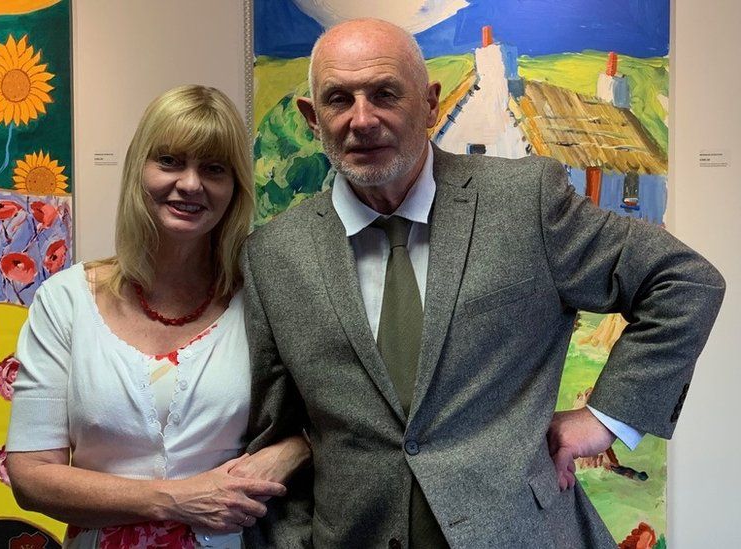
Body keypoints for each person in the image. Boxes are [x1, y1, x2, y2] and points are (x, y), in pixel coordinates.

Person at [242, 18, 725, 548]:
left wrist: (605, 416)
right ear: (314, 117)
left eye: (385, 94)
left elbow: (683, 281)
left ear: (429, 104)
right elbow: (279, 438)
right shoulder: (273, 257)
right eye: (339, 99)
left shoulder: (524, 204)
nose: (362, 120)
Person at [5, 85, 311, 549]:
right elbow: (30, 475)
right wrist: (177, 499)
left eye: (214, 169)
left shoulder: (264, 299)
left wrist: (292, 451)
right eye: (169, 161)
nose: (191, 184)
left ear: (235, 189)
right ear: (137, 170)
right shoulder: (65, 300)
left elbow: (339, 413)